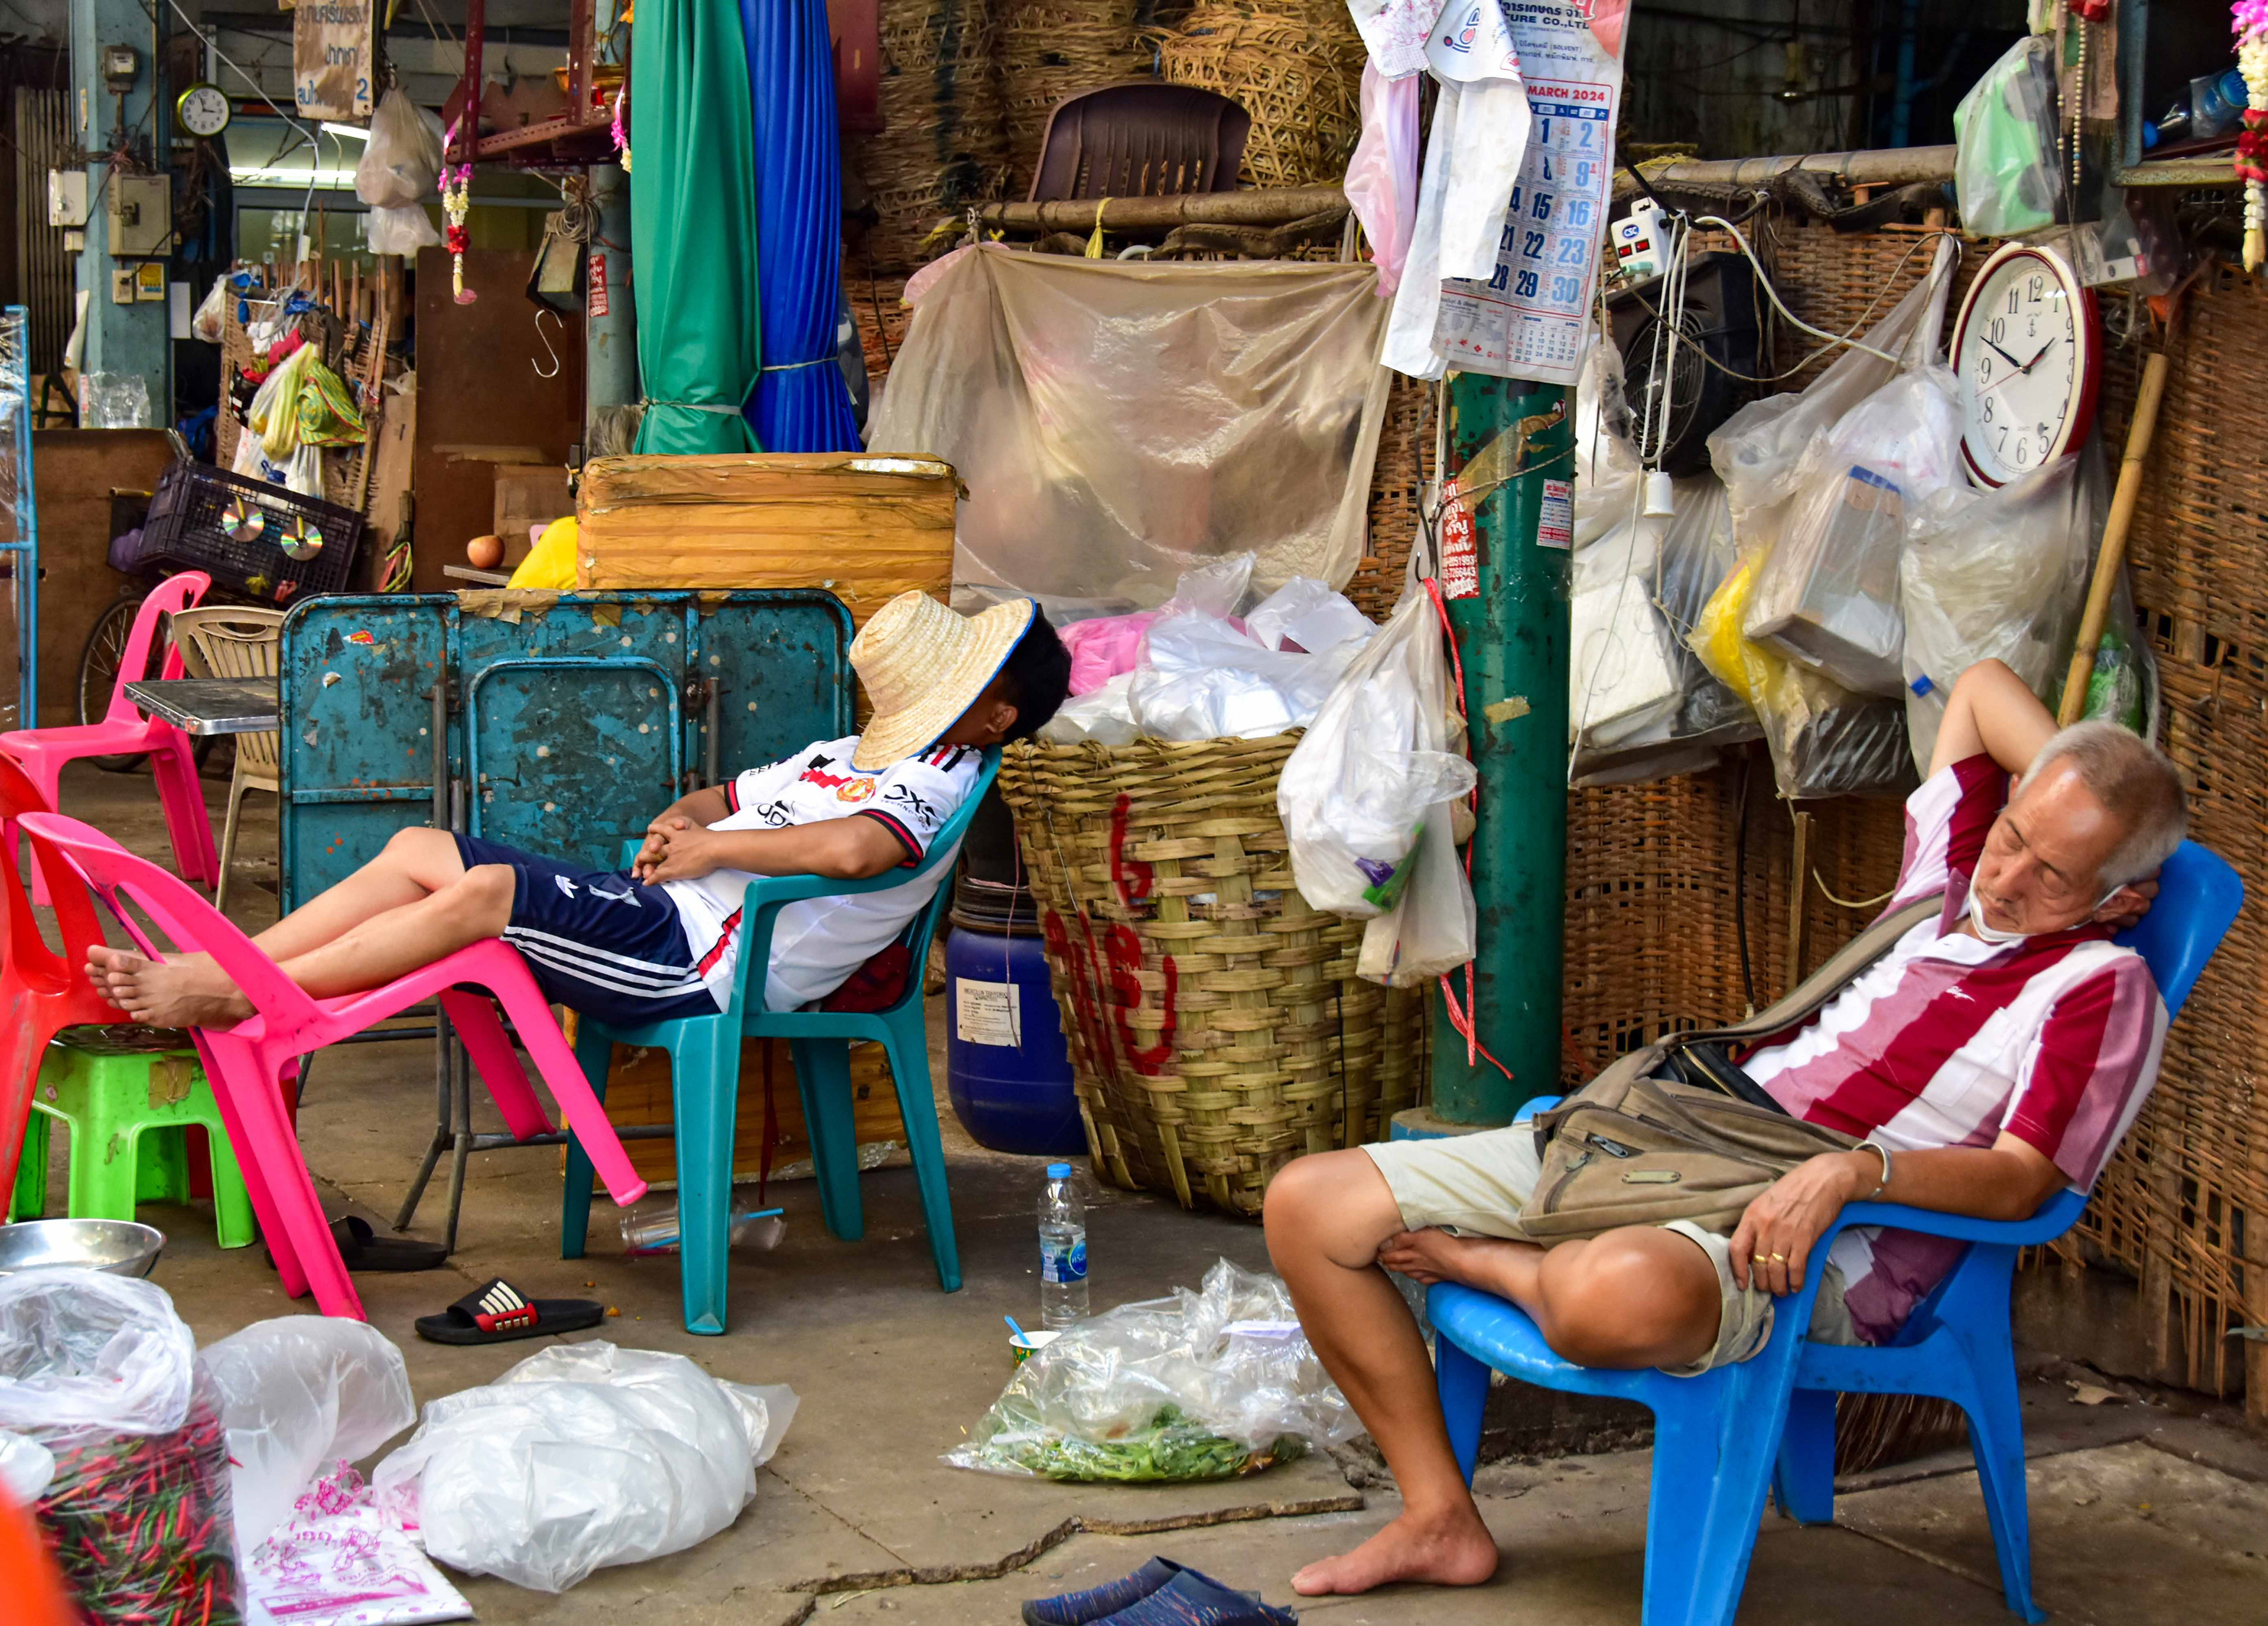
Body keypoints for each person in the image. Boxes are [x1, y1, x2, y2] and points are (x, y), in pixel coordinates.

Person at [1262, 657, 2187, 1598]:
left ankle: (1487, 1259)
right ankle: (1439, 1516)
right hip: (1685, 1127)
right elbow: (1985, 688)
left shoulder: (2100, 990)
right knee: (1309, 1207)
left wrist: (1848, 1173)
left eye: (2058, 877)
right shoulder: (1954, 861)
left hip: (1826, 1235)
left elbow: (2027, 1180)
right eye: (2016, 835)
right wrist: (2078, 797)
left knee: (1605, 1300)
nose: (2010, 879)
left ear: (2121, 899)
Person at [87, 591, 1070, 1031]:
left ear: (997, 713)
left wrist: (714, 851)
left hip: (704, 967)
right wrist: (676, 827)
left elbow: (858, 851)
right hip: (663, 915)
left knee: (486, 893)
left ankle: (236, 992)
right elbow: (709, 797)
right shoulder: (851, 753)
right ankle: (235, 970)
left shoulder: (940, 780)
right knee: (421, 844)